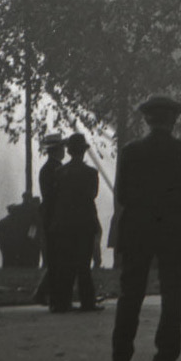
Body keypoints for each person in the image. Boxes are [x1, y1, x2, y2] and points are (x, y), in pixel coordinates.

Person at [111, 95, 181, 361]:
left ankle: (120, 357)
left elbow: (122, 194)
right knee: (172, 295)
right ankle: (165, 358)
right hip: (174, 230)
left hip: (138, 229)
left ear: (147, 120)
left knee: (130, 294)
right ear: (173, 121)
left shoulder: (129, 151)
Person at [49, 133, 101, 314]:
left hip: (64, 223)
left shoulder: (59, 172)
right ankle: (88, 301)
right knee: (83, 264)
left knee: (65, 263)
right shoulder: (91, 173)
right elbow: (92, 195)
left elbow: (57, 198)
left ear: (69, 151)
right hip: (85, 222)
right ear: (83, 151)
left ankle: (62, 302)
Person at [33, 133, 65, 303]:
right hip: (55, 216)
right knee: (56, 257)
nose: (64, 151)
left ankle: (44, 292)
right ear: (57, 150)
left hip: (50, 215)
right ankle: (44, 293)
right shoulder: (56, 170)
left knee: (55, 257)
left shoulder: (49, 168)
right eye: (62, 148)